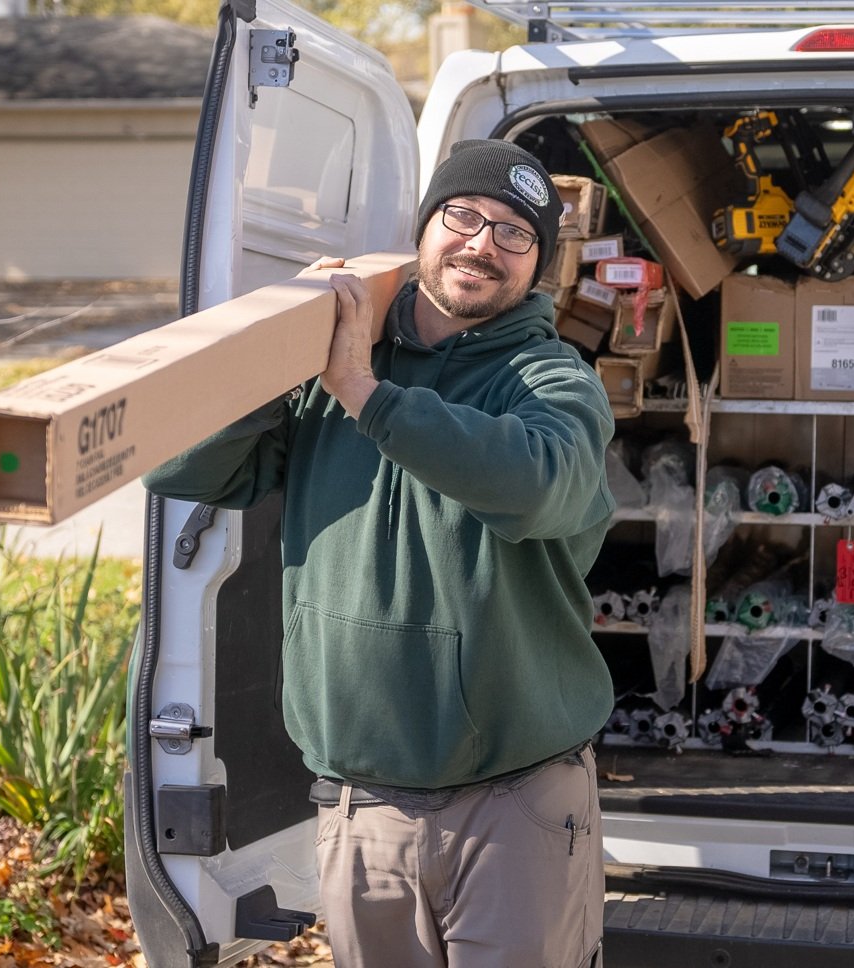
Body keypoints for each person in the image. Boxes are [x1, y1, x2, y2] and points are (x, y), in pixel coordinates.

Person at [142, 138, 616, 968]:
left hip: (514, 804)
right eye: (464, 216)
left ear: (537, 266)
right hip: (363, 812)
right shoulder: (327, 363)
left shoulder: (553, 381)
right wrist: (279, 345)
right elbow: (181, 468)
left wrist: (364, 392)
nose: (482, 244)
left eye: (514, 233)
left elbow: (539, 482)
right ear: (425, 226)